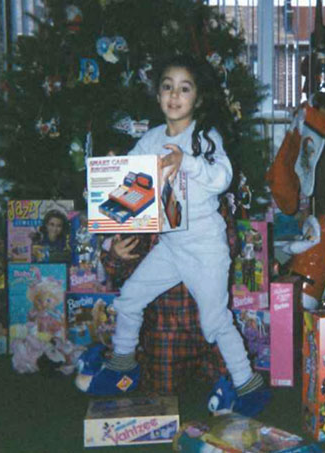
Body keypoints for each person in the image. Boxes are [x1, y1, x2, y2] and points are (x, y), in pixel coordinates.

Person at [76, 55, 267, 409]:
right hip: (170, 245)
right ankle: (123, 364)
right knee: (130, 297)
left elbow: (222, 178)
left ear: (198, 98)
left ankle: (248, 384)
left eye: (184, 88)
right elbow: (128, 185)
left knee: (215, 320)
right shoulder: (150, 139)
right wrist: (112, 217)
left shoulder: (204, 137)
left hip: (205, 247)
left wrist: (187, 162)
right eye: (167, 87)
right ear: (158, 95)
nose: (175, 95)